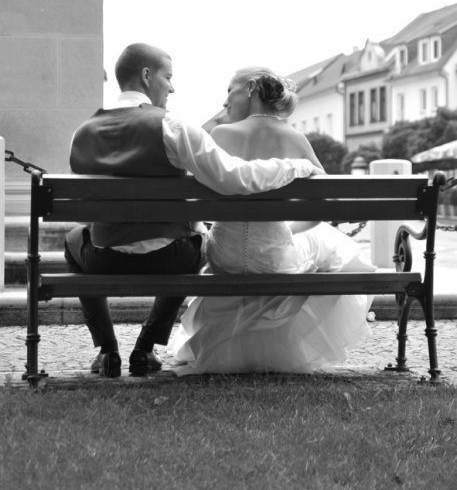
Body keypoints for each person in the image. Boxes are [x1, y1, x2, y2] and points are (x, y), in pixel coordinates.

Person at [64, 45, 323, 378]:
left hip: (104, 259)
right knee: (196, 240)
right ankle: (144, 348)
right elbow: (234, 178)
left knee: (73, 240)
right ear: (147, 76)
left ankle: (108, 350)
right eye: (168, 77)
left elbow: (84, 210)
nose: (172, 88)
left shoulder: (82, 132)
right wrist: (297, 166)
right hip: (169, 258)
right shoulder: (172, 127)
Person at [170, 67, 376, 374]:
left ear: (251, 88)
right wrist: (288, 230)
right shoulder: (295, 139)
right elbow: (323, 206)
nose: (225, 101)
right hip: (272, 255)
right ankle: (284, 347)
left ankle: (232, 350)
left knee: (305, 245)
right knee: (333, 245)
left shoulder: (220, 135)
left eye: (230, 90)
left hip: (224, 254)